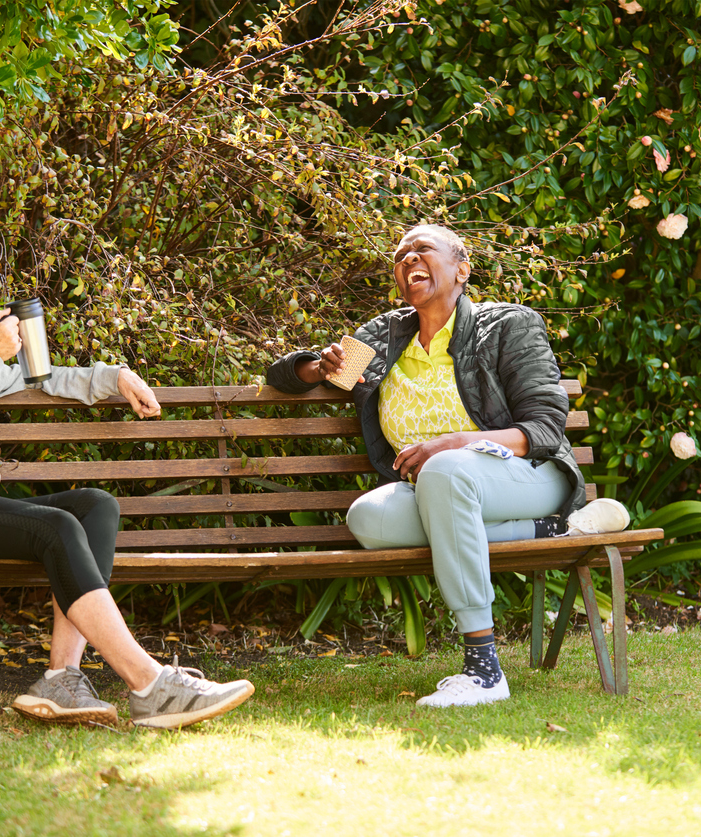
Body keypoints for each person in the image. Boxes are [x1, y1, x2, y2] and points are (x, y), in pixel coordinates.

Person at [0, 213, 254, 729]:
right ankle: (149, 684)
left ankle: (62, 678)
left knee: (93, 507)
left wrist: (111, 376)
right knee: (54, 526)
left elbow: (37, 379)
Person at [267, 224, 626, 707]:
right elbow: (284, 376)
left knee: (445, 469)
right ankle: (552, 531)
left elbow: (545, 427)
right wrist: (316, 368)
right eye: (400, 256)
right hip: (434, 489)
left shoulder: (508, 325)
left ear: (462, 268)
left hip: (523, 474)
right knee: (367, 518)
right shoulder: (383, 336)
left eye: (422, 250)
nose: (409, 259)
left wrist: (456, 443)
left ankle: (483, 668)